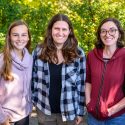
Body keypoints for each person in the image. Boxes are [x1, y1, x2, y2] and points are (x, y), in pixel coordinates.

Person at [31, 13, 86, 125]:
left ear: (69, 31)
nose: (60, 33)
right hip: (44, 110)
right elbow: (33, 80)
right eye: (56, 28)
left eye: (64, 29)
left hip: (69, 111)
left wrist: (80, 112)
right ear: (51, 30)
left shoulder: (78, 53)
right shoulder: (38, 51)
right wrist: (33, 102)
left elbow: (81, 85)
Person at [85, 17, 125, 125]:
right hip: (93, 117)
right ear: (99, 34)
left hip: (117, 118)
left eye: (112, 30)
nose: (107, 34)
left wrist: (112, 110)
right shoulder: (92, 55)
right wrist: (88, 102)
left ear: (119, 33)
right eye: (103, 31)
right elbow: (88, 80)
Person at [0, 20, 33, 125]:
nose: (20, 39)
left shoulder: (31, 59)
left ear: (28, 38)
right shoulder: (2, 59)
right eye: (15, 35)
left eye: (23, 35)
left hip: (24, 115)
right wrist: (2, 118)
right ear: (9, 37)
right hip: (7, 118)